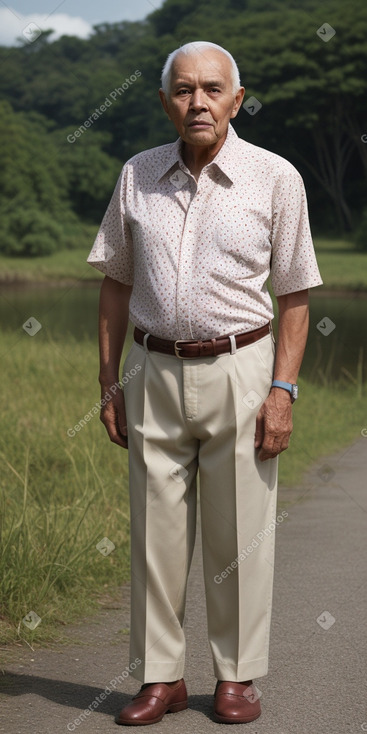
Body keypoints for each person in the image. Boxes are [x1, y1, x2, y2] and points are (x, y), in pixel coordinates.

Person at [87, 40, 322, 726]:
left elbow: (296, 296)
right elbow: (115, 283)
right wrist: (108, 381)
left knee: (238, 532)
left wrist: (282, 391)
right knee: (154, 534)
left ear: (236, 100)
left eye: (212, 89)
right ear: (164, 102)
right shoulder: (137, 175)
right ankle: (160, 678)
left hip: (242, 369)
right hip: (151, 367)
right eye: (184, 90)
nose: (198, 102)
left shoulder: (275, 177)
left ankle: (236, 676)